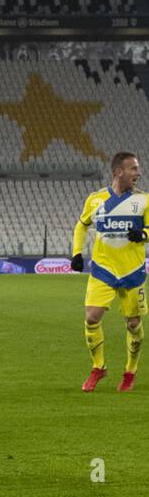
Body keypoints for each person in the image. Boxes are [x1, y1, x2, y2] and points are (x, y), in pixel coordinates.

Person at [72, 151, 147, 392]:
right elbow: (81, 226)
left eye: (137, 168)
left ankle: (129, 373)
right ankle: (98, 368)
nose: (138, 173)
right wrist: (76, 252)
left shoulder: (144, 200)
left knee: (133, 323)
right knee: (91, 317)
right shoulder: (96, 199)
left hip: (132, 271)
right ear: (118, 172)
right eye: (133, 169)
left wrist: (144, 234)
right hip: (103, 269)